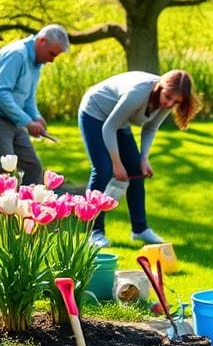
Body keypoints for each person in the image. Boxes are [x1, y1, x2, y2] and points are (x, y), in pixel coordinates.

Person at [78, 69, 198, 247]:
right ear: (161, 86)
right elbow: (109, 127)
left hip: (119, 121)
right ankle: (94, 232)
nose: (169, 103)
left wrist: (144, 159)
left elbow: (150, 128)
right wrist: (117, 164)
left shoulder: (166, 102)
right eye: (168, 97)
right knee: (103, 169)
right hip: (94, 113)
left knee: (136, 170)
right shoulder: (138, 93)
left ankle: (139, 230)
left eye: (176, 101)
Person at [0, 24, 69, 184]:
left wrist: (36, 117)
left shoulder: (36, 64)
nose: (52, 60)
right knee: (2, 173)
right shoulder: (16, 54)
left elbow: (27, 97)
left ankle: (28, 208)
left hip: (11, 118)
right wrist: (27, 122)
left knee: (33, 168)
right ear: (42, 41)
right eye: (52, 54)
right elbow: (0, 94)